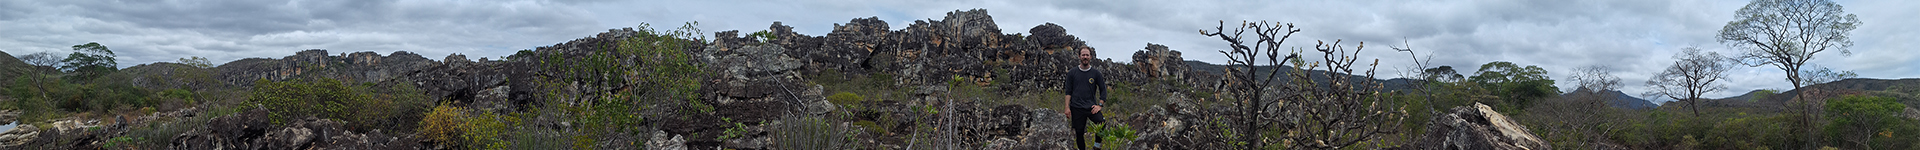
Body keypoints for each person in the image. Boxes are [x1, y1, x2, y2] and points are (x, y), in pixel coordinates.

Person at [1064, 46, 1108, 150]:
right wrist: (1067, 107)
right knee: (1079, 132)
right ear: (1079, 56)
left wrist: (1100, 105)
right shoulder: (1072, 73)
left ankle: (1097, 146)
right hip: (1076, 107)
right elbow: (1068, 92)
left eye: (1087, 55)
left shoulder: (1096, 73)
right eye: (1083, 55)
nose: (1085, 57)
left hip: (1091, 107)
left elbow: (1103, 90)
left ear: (1091, 57)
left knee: (1101, 123)